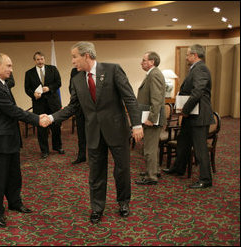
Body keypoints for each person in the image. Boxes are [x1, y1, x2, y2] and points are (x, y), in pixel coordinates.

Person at [47, 41, 143, 224]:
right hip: (93, 133)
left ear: (87, 55)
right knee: (96, 173)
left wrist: (136, 124)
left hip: (116, 130)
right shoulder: (76, 79)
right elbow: (73, 106)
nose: (73, 61)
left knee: (121, 170)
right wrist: (52, 118)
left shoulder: (113, 69)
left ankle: (123, 202)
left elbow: (129, 97)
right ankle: (97, 207)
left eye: (75, 56)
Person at [0, 53, 50, 227]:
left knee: (14, 175)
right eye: (9, 66)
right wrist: (36, 119)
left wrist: (35, 116)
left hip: (9, 138)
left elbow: (13, 109)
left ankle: (15, 202)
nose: (11, 70)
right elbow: (12, 110)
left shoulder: (2, 83)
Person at [163, 44, 215, 189]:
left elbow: (197, 92)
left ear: (195, 55)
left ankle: (205, 179)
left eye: (187, 55)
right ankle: (178, 168)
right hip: (191, 115)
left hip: (198, 115)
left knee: (200, 149)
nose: (186, 57)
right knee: (183, 142)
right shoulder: (195, 69)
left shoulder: (201, 68)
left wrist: (185, 110)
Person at [25, 51, 65, 159]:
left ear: (44, 59)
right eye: (37, 59)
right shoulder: (29, 73)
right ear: (35, 61)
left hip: (53, 104)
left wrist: (49, 88)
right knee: (41, 129)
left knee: (56, 127)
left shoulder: (53, 69)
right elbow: (27, 89)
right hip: (39, 104)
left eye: (41, 59)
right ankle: (44, 150)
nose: (40, 61)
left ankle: (57, 147)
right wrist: (33, 94)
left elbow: (58, 82)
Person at [135, 51, 166, 185]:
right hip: (149, 116)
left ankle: (151, 176)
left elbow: (156, 99)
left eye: (144, 60)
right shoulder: (152, 74)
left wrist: (152, 119)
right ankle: (154, 170)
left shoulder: (155, 74)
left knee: (149, 148)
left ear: (152, 62)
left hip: (153, 119)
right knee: (151, 147)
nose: (141, 63)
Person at [69, 67, 87, 164]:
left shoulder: (94, 69)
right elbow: (71, 88)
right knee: (81, 133)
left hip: (92, 109)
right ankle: (82, 155)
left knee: (94, 134)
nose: (74, 61)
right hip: (79, 107)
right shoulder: (74, 71)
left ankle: (95, 157)